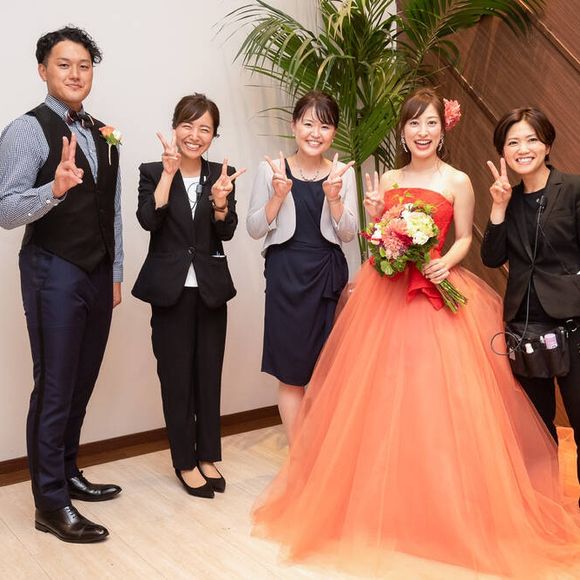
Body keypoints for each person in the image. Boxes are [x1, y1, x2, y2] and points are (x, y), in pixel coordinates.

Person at [252, 89, 580, 578]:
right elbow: (379, 236)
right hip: (388, 296)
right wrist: (377, 226)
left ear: (442, 131)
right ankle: (389, 503)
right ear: (403, 132)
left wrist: (444, 262)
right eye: (413, 124)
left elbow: (465, 239)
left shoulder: (458, 180)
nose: (421, 132)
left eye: (430, 124)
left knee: (438, 404)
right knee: (384, 401)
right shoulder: (389, 178)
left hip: (437, 295)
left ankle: (444, 506)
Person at [0, 26, 123, 543]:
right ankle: (50, 503)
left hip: (96, 274)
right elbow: (5, 210)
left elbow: (112, 209)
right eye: (64, 64)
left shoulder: (103, 132)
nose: (75, 74)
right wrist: (52, 190)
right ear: (43, 70)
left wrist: (115, 272)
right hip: (52, 270)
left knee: (81, 381)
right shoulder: (27, 130)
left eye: (84, 65)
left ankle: (68, 472)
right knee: (54, 384)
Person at [132, 94, 244, 499]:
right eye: (188, 125)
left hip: (210, 290)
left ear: (213, 135)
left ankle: (208, 455)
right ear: (175, 127)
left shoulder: (221, 175)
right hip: (170, 290)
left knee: (209, 375)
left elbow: (226, 230)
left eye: (204, 129)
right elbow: (149, 220)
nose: (195, 135)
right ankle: (184, 460)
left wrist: (220, 203)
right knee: (176, 378)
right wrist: (168, 175)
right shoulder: (151, 171)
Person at [246, 91, 357, 445]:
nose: (315, 133)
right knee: (291, 374)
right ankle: (299, 457)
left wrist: (334, 199)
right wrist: (278, 196)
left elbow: (348, 233)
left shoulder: (342, 173)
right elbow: (254, 228)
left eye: (324, 126)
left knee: (327, 371)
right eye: (308, 123)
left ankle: (321, 453)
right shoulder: (271, 170)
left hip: (326, 276)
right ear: (294, 126)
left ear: (334, 133)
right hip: (286, 277)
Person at [481, 107, 580, 488]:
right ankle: (544, 505)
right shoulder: (509, 198)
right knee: (537, 427)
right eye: (513, 143)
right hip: (525, 326)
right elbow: (492, 258)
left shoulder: (572, 189)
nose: (523, 149)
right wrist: (498, 206)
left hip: (573, 324)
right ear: (503, 152)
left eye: (531, 140)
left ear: (547, 145)